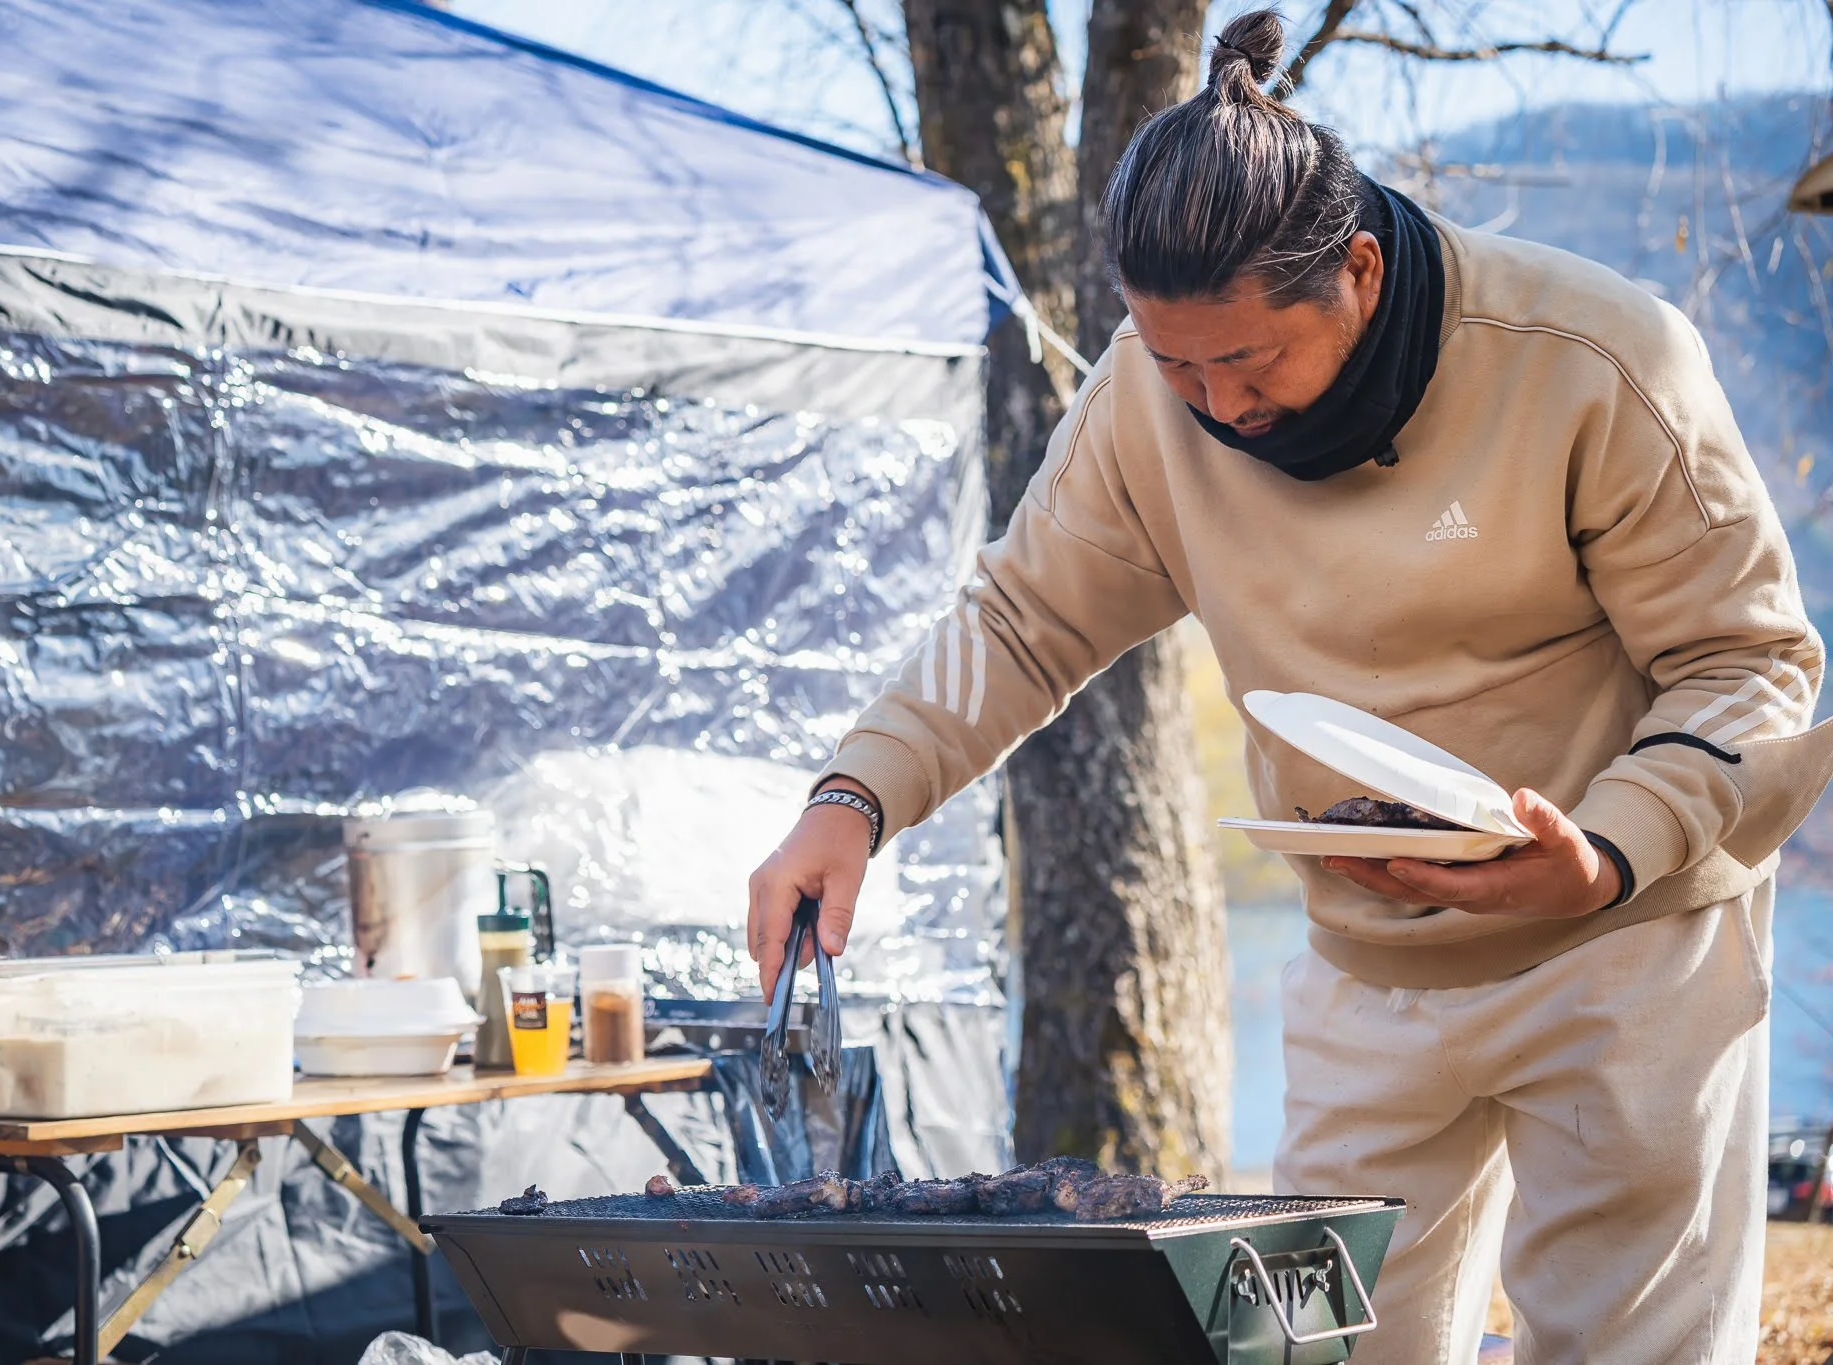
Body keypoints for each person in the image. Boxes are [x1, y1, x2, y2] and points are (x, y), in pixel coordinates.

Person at [745, 10, 1833, 1363]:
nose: (1213, 405)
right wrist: (854, 795)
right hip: (1369, 966)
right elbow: (1021, 621)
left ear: (1359, 270)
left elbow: (1747, 663)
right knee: (1317, 1350)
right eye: (1176, 364)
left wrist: (1607, 853)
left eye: (1247, 362)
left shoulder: (1599, 360)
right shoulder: (1147, 400)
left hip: (1629, 943)